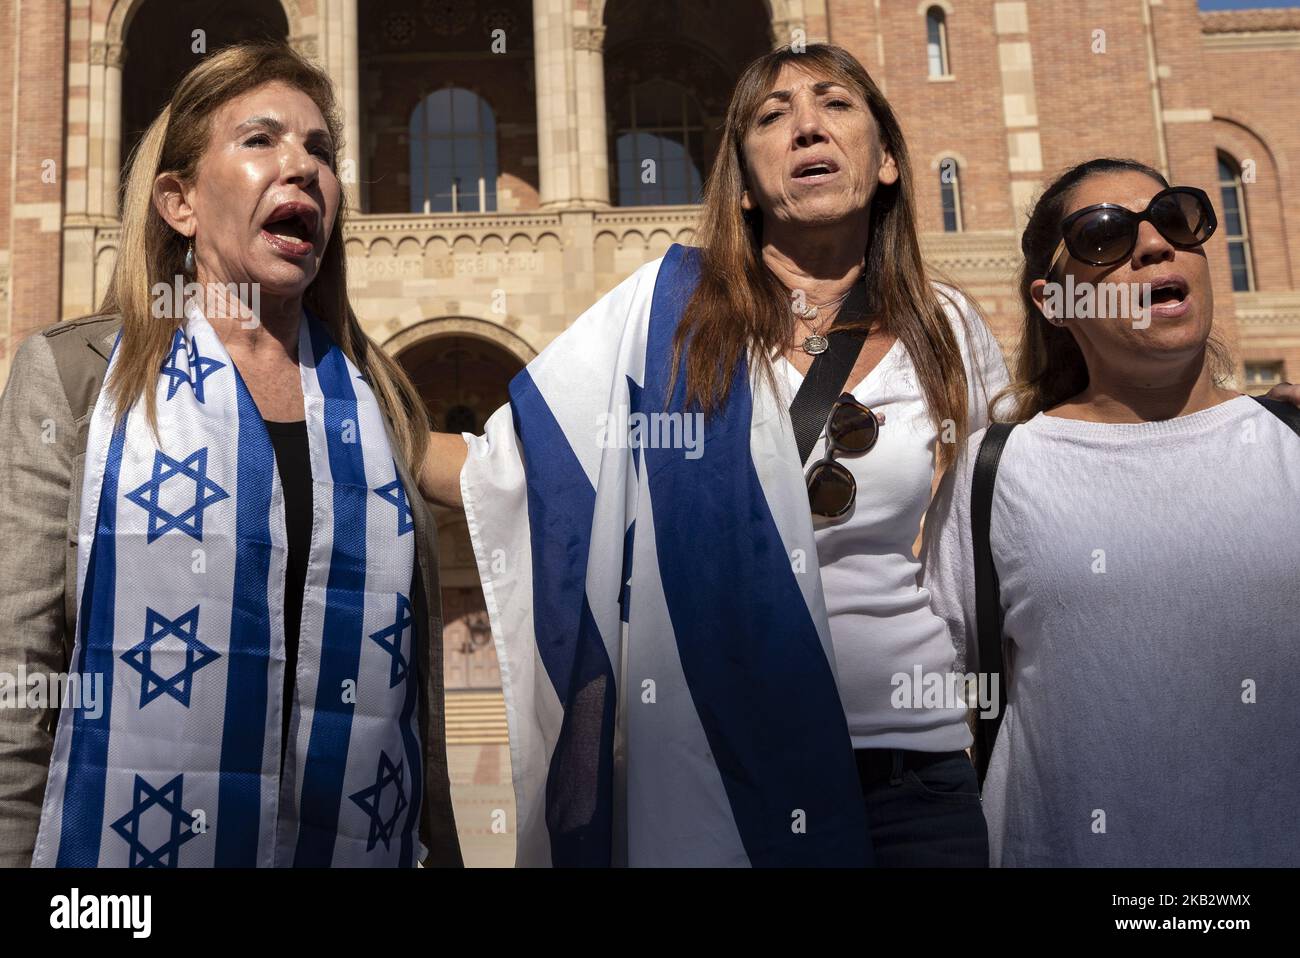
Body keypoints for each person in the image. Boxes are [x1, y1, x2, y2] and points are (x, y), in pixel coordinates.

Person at [420, 43, 1007, 866]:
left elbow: (981, 545)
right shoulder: (665, 316)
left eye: (836, 105)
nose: (807, 127)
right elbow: (503, 469)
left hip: (914, 774)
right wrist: (335, 398)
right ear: (739, 180)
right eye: (773, 116)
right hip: (724, 776)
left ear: (887, 163)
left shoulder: (945, 326)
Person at [0, 41, 461, 868]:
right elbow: (18, 678)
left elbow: (411, 707)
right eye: (262, 141)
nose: (304, 168)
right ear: (178, 201)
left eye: (321, 151)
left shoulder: (376, 403)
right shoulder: (75, 382)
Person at [922, 157, 1300, 866]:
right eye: (1105, 235)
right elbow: (936, 710)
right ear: (1055, 301)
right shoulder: (995, 472)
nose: (1155, 243)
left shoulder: (1290, 443)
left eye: (1177, 217)